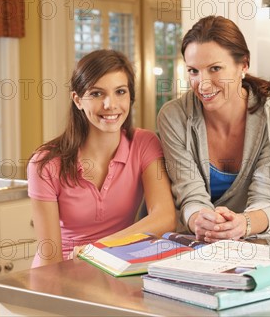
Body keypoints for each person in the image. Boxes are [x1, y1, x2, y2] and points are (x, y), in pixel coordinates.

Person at [28, 49, 176, 268]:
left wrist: (98, 248)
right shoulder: (45, 164)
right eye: (97, 94)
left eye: (120, 92)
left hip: (114, 265)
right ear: (78, 100)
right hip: (63, 269)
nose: (110, 105)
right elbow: (50, 257)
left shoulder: (144, 144)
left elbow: (164, 217)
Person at [157, 15, 270, 242]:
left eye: (215, 69)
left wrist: (244, 224)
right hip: (195, 240)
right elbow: (189, 194)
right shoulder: (174, 116)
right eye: (193, 71)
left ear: (243, 65)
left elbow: (268, 196)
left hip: (253, 240)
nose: (202, 84)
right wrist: (201, 222)